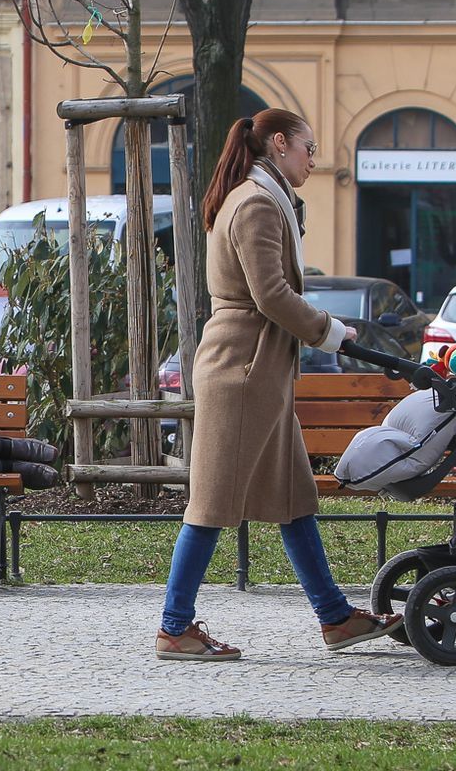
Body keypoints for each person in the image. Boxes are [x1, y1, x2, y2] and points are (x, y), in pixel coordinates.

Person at [157, 108, 404, 661]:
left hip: (259, 372)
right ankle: (175, 628)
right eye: (308, 149)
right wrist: (330, 332)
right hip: (242, 371)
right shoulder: (256, 204)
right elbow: (269, 294)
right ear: (278, 144)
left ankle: (336, 617)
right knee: (211, 502)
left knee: (295, 498)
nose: (313, 160)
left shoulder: (264, 199)